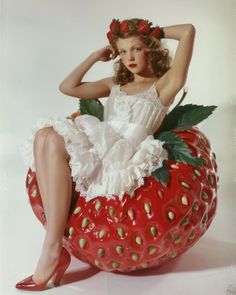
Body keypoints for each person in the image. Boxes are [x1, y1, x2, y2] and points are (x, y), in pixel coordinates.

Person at [16, 18, 196, 291]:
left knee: (52, 139)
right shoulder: (115, 84)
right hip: (98, 146)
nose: (129, 57)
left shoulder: (164, 85)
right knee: (45, 135)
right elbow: (67, 87)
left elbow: (187, 31)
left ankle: (52, 250)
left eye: (136, 49)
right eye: (123, 52)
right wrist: (93, 57)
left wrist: (153, 32)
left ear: (151, 48)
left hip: (122, 157)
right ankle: (54, 247)